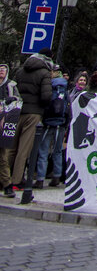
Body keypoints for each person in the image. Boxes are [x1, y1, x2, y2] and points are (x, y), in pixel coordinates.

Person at [8, 48, 53, 201]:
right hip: (33, 113)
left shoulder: (21, 71)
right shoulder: (44, 72)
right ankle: (16, 181)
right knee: (24, 149)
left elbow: (13, 89)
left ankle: (5, 179)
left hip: (17, 110)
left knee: (11, 147)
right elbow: (46, 96)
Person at [35, 65, 69, 188]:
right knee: (58, 150)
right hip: (60, 121)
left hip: (48, 121)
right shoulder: (64, 86)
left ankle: (40, 178)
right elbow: (68, 104)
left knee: (43, 150)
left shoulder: (48, 84)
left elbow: (44, 99)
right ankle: (57, 176)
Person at [0, 64, 21, 197]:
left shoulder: (10, 86)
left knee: (2, 156)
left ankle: (7, 185)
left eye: (3, 70)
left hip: (3, 123)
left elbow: (18, 101)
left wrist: (11, 100)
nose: (1, 72)